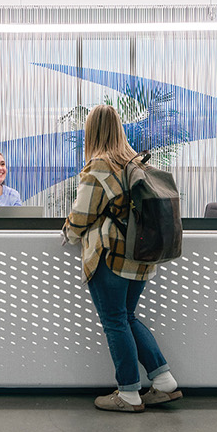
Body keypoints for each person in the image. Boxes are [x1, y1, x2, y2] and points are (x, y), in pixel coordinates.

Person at [62, 105, 181, 413]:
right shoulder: (132, 162)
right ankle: (164, 382)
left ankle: (128, 393)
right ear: (118, 128)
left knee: (115, 320)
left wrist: (69, 233)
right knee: (127, 317)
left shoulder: (100, 166)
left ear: (92, 131)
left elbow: (82, 215)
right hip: (139, 255)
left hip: (111, 255)